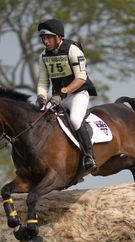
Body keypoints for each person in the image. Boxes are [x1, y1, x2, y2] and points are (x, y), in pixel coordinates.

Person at [36, 18, 97, 172]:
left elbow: (81, 78)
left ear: (59, 37)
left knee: (75, 120)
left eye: (49, 38)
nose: (46, 41)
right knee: (40, 118)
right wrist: (41, 97)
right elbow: (43, 82)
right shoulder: (43, 56)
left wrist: (63, 93)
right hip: (58, 97)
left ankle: (89, 156)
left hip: (78, 94)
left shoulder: (73, 49)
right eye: (43, 38)